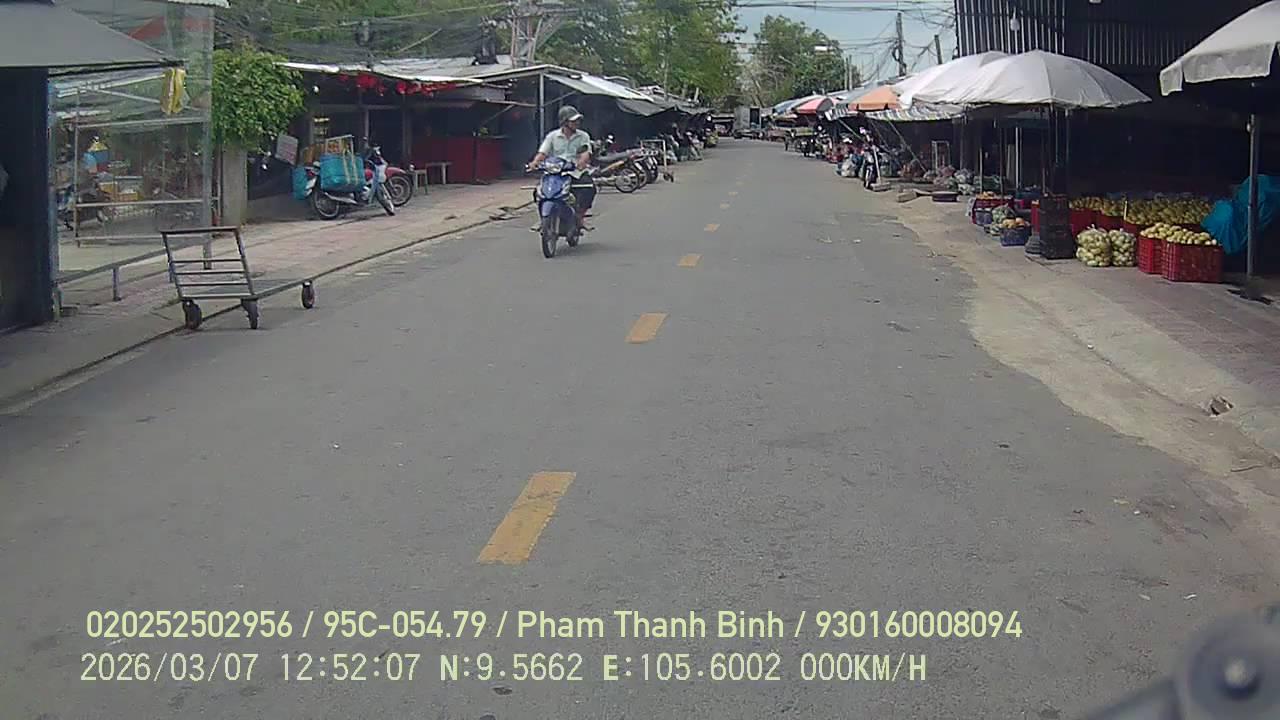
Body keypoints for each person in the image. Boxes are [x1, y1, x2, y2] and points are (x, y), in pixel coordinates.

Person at [527, 105, 596, 232]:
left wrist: (581, 162)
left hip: (575, 171)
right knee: (538, 192)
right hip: (555, 172)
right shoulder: (552, 136)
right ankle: (543, 218)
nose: (577, 123)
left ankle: (580, 217)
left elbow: (585, 153)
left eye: (578, 120)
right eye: (573, 121)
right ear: (564, 122)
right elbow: (543, 153)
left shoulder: (583, 136)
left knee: (589, 188)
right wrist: (535, 163)